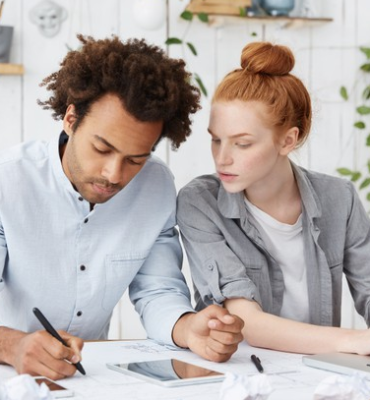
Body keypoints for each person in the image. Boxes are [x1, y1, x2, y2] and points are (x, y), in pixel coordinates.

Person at [0, 35, 244, 381]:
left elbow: (157, 290)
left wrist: (189, 329)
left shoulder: (155, 186)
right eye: (102, 149)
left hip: (89, 377)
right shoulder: (8, 183)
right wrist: (14, 346)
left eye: (135, 159)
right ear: (71, 119)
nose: (114, 175)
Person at [177, 41, 370, 356]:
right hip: (239, 376)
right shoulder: (199, 203)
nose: (222, 158)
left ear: (287, 140)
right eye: (216, 140)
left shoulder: (340, 198)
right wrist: (353, 341)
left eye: (242, 143)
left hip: (318, 376)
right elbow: (245, 320)